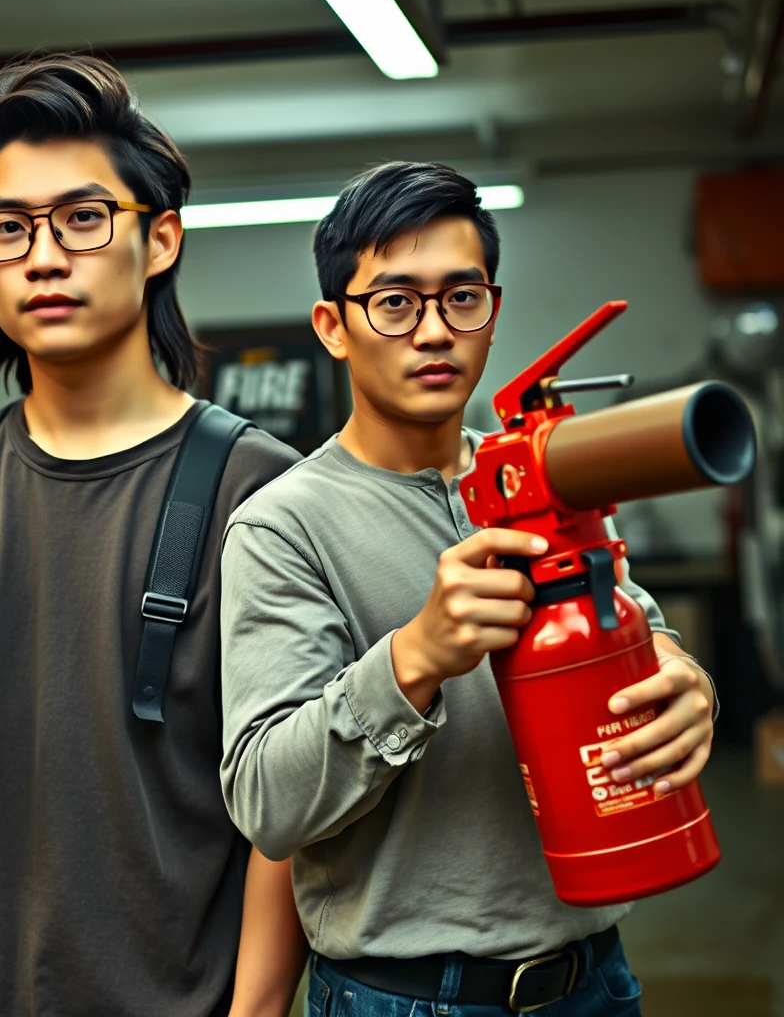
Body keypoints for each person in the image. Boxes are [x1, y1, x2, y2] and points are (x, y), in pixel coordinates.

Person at [0, 54, 306, 1017]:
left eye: (84, 219)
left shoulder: (265, 491)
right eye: (7, 229)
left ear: (159, 238)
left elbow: (287, 823)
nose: (43, 256)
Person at [219, 162, 717, 1017]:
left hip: (595, 978)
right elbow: (268, 801)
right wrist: (413, 659)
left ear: (492, 309)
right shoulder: (283, 526)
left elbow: (642, 625)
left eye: (461, 298)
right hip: (410, 998)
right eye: (396, 302)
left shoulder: (538, 476)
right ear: (333, 327)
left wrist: (684, 676)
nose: (434, 331)